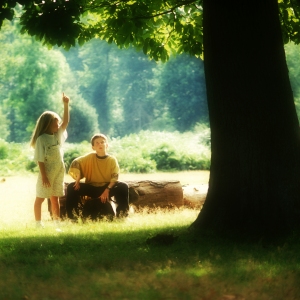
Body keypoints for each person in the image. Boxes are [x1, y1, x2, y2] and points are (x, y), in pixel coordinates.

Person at [66, 133, 129, 220]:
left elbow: (115, 177)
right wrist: (78, 179)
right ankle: (73, 217)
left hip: (106, 187)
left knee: (123, 186)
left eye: (102, 142)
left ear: (106, 145)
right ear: (93, 147)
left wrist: (107, 189)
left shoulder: (112, 159)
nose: (100, 144)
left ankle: (121, 215)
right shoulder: (89, 157)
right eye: (97, 143)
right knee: (71, 187)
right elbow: (76, 162)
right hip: (91, 187)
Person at [30, 93, 70, 229]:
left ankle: (56, 223)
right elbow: (40, 159)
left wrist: (66, 105)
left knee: (55, 197)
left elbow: (66, 122)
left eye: (58, 122)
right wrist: (44, 176)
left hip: (59, 170)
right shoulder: (42, 139)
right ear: (47, 124)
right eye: (55, 122)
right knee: (40, 198)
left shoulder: (57, 135)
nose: (58, 125)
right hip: (46, 172)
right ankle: (38, 224)